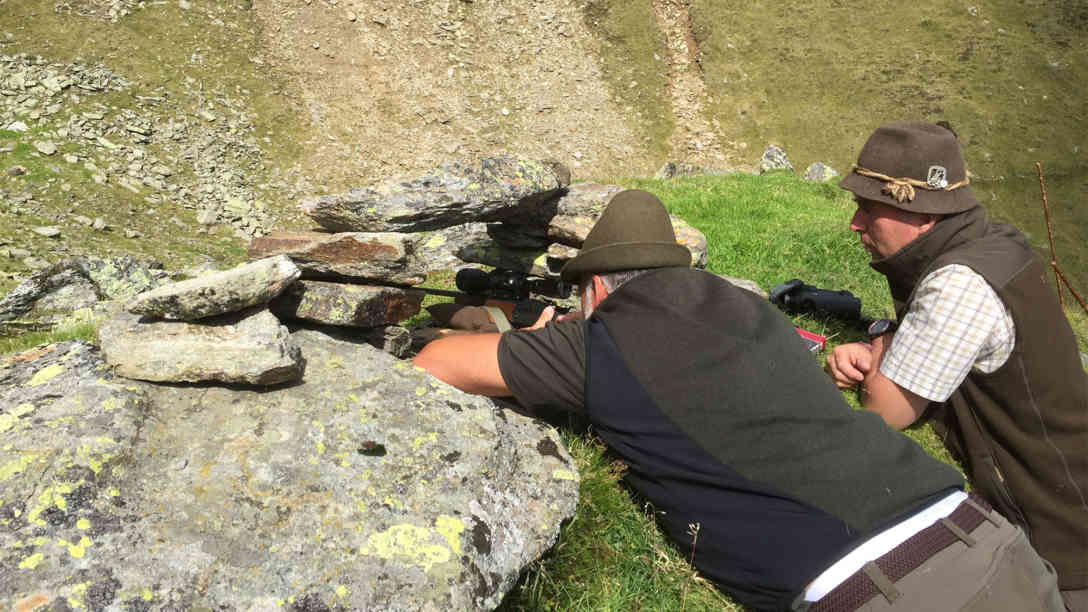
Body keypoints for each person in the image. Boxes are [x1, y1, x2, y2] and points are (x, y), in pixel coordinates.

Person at [415, 189, 1064, 611]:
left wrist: (538, 348)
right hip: (985, 532)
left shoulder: (600, 340)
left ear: (598, 290)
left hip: (886, 588)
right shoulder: (749, 309)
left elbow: (437, 365)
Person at [825, 121, 1088, 611]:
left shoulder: (958, 282)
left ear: (923, 215)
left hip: (1063, 541)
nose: (855, 223)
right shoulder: (993, 242)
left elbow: (885, 412)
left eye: (869, 208)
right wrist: (887, 342)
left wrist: (882, 344)